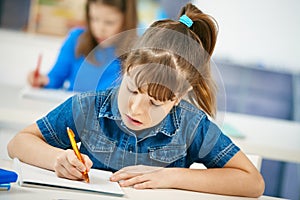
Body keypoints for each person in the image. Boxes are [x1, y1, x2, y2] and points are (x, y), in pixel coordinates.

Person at [8, 3, 265, 197]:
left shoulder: (190, 124)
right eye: (132, 90)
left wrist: (170, 176)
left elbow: (252, 182)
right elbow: (19, 142)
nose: (136, 109)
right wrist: (57, 159)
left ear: (178, 98)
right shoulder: (88, 107)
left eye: (156, 103)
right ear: (126, 67)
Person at [27, 0, 137, 92]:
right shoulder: (76, 39)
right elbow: (55, 78)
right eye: (94, 19)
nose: (99, 29)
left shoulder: (138, 50)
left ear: (127, 20)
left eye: (109, 22)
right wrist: (42, 80)